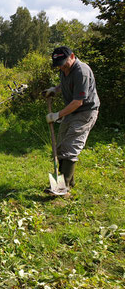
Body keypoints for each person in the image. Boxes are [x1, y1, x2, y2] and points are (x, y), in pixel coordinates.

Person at [43, 46, 100, 192]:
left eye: (64, 63)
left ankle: (63, 188)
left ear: (72, 56)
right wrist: (55, 89)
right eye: (59, 65)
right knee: (61, 145)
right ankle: (68, 181)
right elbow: (65, 83)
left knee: (70, 146)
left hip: (85, 112)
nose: (62, 67)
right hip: (71, 111)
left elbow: (78, 101)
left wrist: (57, 115)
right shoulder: (65, 69)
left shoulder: (82, 71)